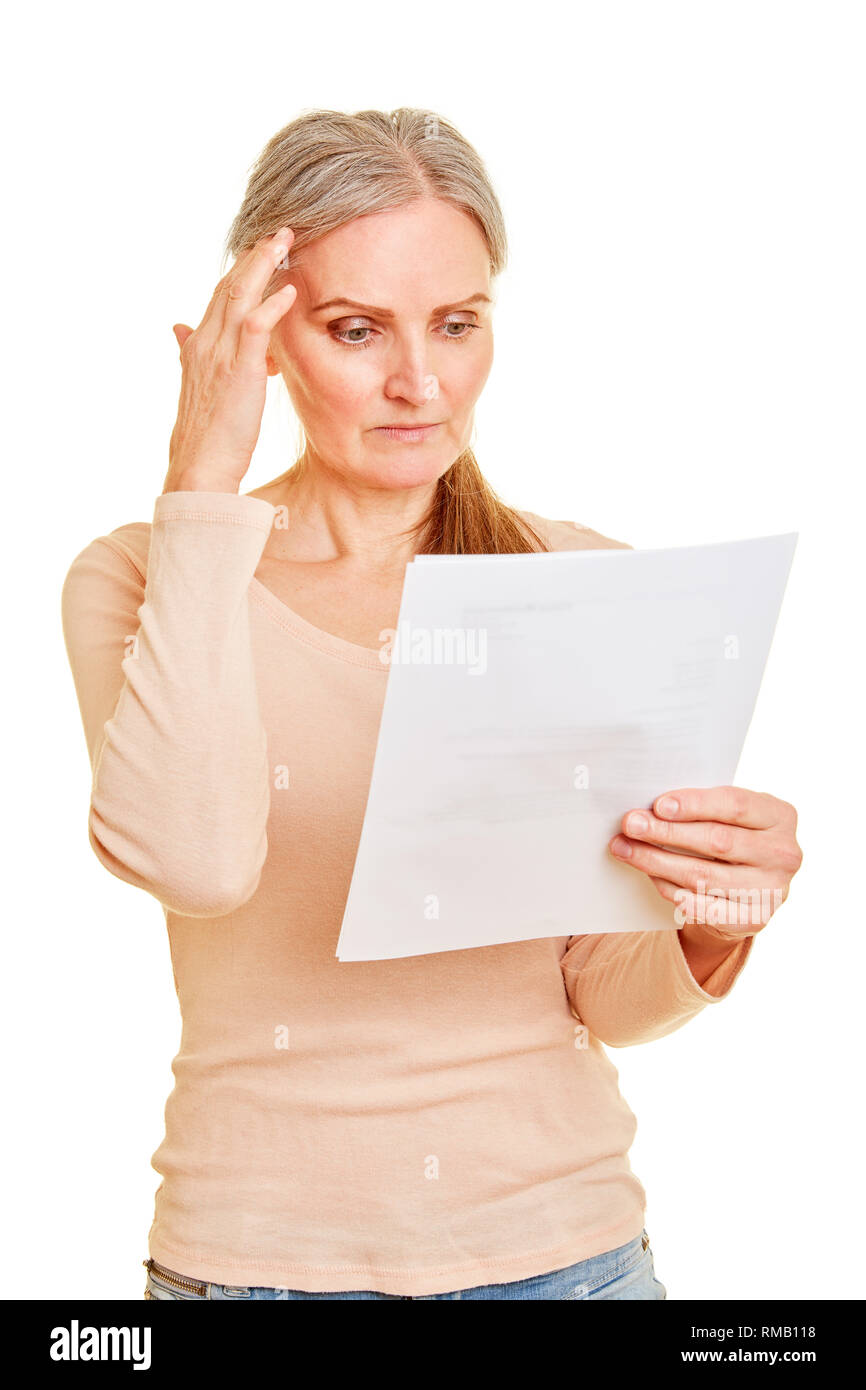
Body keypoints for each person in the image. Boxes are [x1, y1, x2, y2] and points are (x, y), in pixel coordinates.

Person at [61, 107, 803, 1301]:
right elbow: (194, 863)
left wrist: (713, 922)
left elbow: (603, 995)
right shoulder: (146, 577)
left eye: (455, 324)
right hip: (253, 1268)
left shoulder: (577, 584)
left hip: (568, 1262)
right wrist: (201, 477)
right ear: (261, 334)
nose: (419, 381)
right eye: (357, 330)